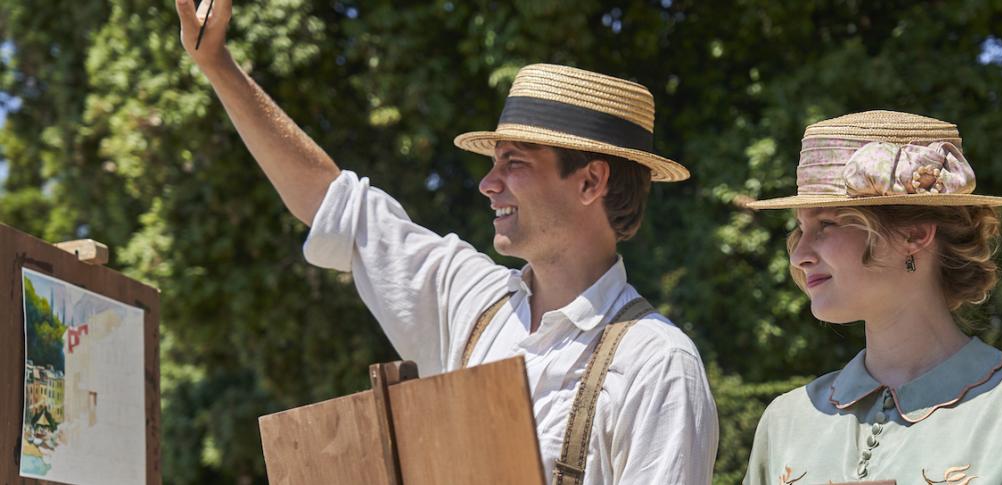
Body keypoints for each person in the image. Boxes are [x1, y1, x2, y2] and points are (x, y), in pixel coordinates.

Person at [175, 1, 717, 483]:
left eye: (515, 163)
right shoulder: (472, 302)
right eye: (492, 162)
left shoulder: (657, 365)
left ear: (590, 182)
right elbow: (334, 205)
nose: (487, 183)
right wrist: (219, 67)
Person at [742, 110, 1002, 484]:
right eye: (799, 228)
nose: (799, 254)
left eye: (827, 224)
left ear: (914, 234)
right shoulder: (786, 422)